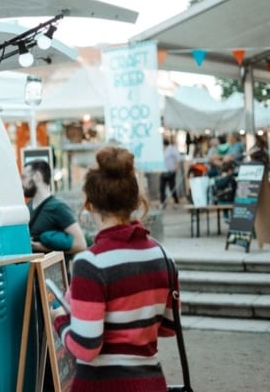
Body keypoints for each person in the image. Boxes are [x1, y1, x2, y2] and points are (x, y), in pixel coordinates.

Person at [53, 146, 178, 392]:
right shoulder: (164, 256)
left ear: (89, 204)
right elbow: (168, 327)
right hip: (151, 382)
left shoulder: (91, 263)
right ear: (135, 200)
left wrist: (60, 321)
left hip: (102, 384)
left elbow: (86, 348)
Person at [21, 160, 87, 258]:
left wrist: (41, 248)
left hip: (52, 271)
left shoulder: (58, 207)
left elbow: (81, 245)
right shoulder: (28, 205)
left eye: (24, 177)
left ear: (37, 176)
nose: (21, 182)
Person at [160, 138, 181, 208]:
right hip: (163, 171)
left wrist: (176, 168)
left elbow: (177, 158)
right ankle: (162, 203)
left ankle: (176, 201)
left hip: (171, 171)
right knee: (162, 187)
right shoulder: (161, 150)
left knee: (172, 187)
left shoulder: (171, 149)